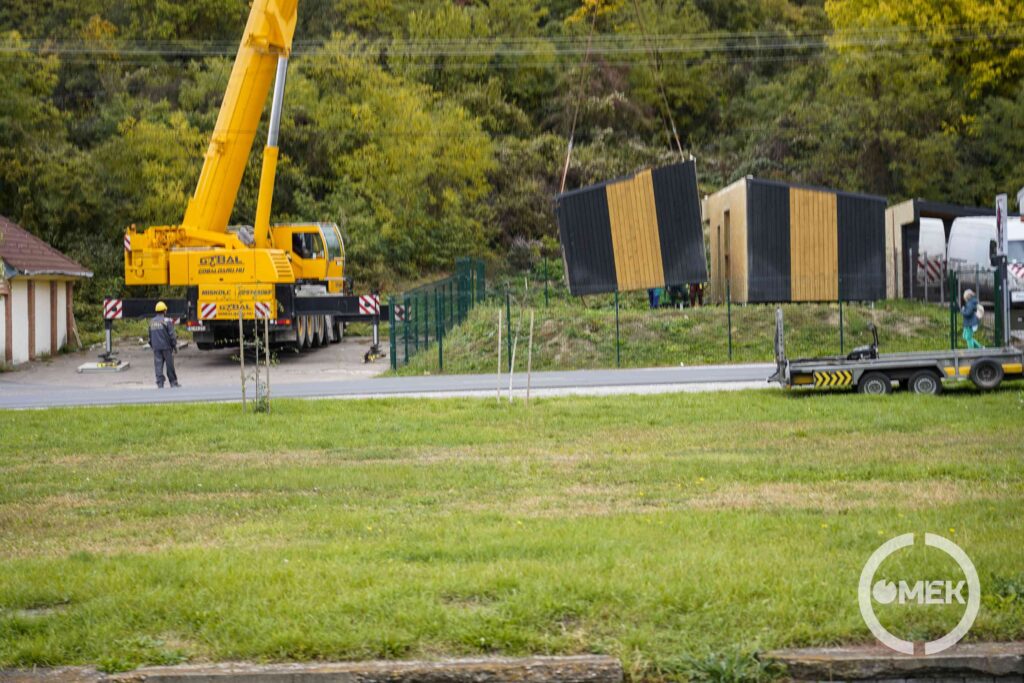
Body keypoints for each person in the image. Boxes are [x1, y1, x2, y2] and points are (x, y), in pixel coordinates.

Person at [150, 301, 180, 388]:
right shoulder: (167, 321)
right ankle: (173, 382)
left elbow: (150, 336)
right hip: (166, 347)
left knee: (158, 365)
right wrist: (174, 345)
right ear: (164, 311)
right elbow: (172, 335)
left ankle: (160, 383)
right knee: (169, 365)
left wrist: (153, 346)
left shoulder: (151, 322)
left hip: (156, 347)